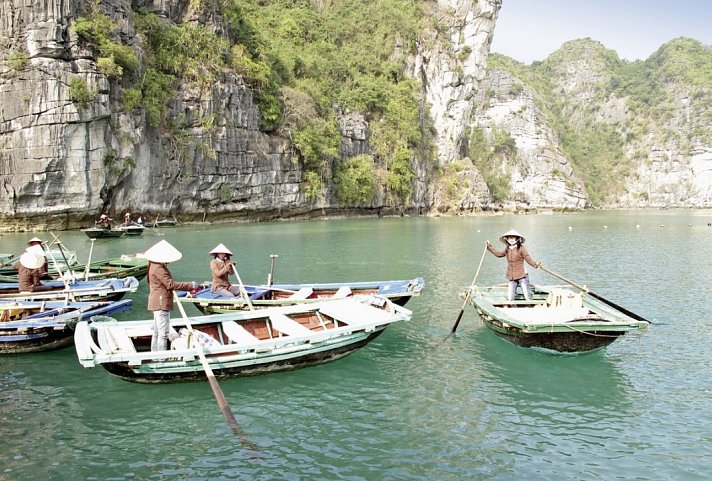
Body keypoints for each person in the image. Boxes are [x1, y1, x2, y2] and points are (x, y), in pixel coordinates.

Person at [143, 240, 198, 351]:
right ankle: (161, 357)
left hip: (157, 301)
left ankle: (155, 355)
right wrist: (190, 285)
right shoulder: (158, 268)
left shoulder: (153, 265)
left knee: (157, 332)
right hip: (160, 302)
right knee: (163, 333)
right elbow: (170, 284)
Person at [486, 229, 541, 301]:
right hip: (512, 276)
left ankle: (529, 306)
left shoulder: (521, 248)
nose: (511, 239)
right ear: (507, 239)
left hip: (522, 275)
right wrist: (489, 246)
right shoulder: (507, 248)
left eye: (513, 237)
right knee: (510, 298)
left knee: (527, 296)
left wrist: (535, 264)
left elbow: (528, 259)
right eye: (509, 237)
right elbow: (498, 254)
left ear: (517, 239)